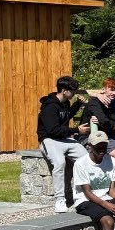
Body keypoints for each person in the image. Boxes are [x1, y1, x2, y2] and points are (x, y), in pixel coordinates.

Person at [37, 76, 90, 213]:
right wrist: (76, 130)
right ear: (64, 90)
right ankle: (60, 200)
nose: (75, 93)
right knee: (60, 163)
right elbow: (52, 130)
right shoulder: (49, 107)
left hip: (64, 138)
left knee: (85, 159)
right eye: (73, 91)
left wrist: (77, 104)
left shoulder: (65, 102)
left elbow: (65, 116)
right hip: (49, 140)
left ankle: (80, 194)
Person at [81, 78, 115, 164]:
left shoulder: (112, 105)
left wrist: (103, 123)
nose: (114, 93)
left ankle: (114, 177)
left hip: (107, 138)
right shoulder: (94, 102)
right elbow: (106, 122)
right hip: (89, 138)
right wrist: (105, 123)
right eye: (111, 90)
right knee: (98, 160)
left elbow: (112, 127)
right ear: (103, 89)